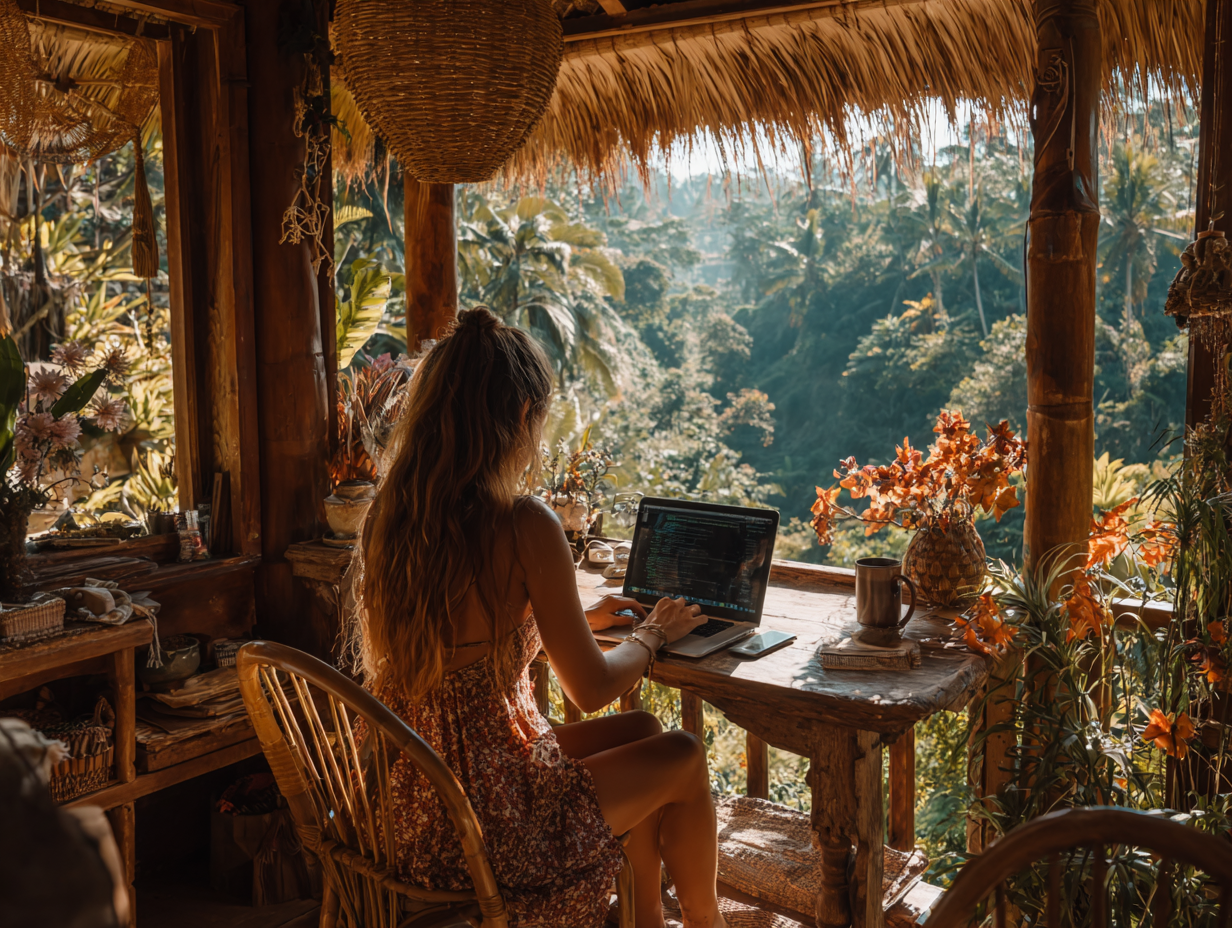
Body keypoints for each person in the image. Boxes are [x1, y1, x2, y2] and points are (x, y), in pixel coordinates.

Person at [355, 307, 725, 928]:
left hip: (409, 797)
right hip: (486, 820)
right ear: (521, 415)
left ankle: (646, 921)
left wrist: (578, 615)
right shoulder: (525, 523)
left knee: (642, 731)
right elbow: (592, 688)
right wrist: (652, 634)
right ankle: (706, 921)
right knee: (683, 753)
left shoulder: (390, 515)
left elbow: (469, 624)